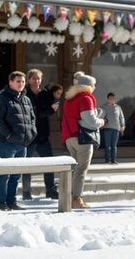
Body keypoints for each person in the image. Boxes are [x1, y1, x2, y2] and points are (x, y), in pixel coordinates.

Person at [0, 70, 36, 211]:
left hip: (22, 144)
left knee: (16, 175)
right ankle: (1, 203)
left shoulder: (26, 99)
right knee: (5, 174)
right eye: (18, 81)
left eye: (23, 81)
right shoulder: (2, 98)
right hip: (6, 143)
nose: (21, 84)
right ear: (10, 82)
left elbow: (32, 119)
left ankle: (12, 202)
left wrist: (32, 133)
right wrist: (9, 135)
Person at [62, 70, 103, 211]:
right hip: (82, 138)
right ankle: (76, 199)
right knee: (81, 170)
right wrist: (102, 121)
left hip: (69, 137)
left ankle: (68, 197)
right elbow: (90, 121)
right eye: (94, 85)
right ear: (88, 86)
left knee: (74, 170)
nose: (95, 88)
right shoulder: (86, 98)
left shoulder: (69, 99)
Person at [23, 69, 60, 200]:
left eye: (38, 78)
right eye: (33, 78)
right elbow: (35, 113)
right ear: (28, 80)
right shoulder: (24, 93)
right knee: (26, 165)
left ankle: (50, 190)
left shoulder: (45, 93)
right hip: (28, 135)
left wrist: (53, 108)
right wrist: (50, 110)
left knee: (49, 163)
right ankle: (26, 192)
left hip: (43, 134)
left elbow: (51, 108)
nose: (36, 81)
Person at [101, 92, 124, 164]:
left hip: (116, 128)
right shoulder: (103, 107)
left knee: (114, 146)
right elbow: (100, 116)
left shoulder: (118, 107)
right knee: (108, 145)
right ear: (107, 99)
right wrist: (101, 124)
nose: (111, 100)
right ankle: (108, 160)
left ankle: (114, 160)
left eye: (113, 99)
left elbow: (121, 117)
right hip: (107, 128)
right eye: (110, 99)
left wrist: (122, 125)